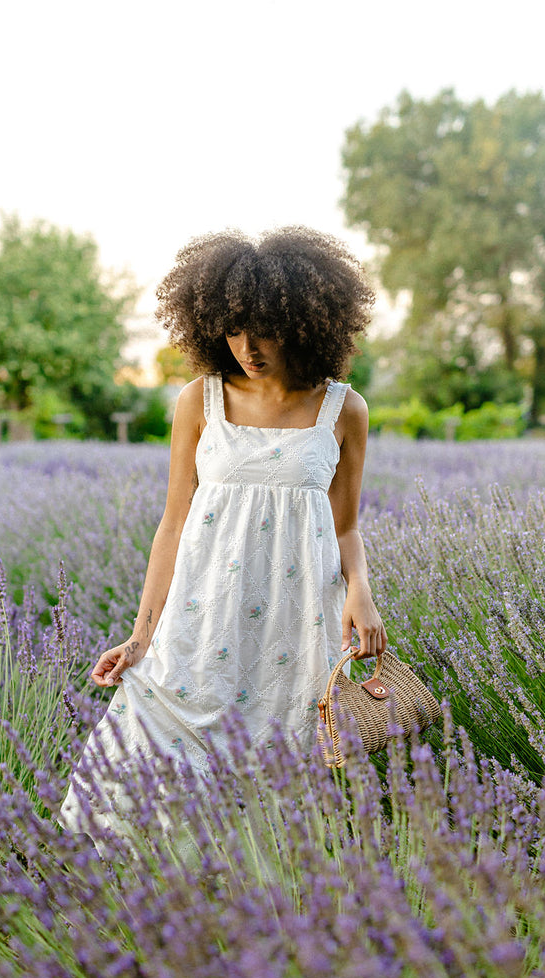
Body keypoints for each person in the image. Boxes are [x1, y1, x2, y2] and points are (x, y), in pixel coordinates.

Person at [58, 226, 387, 850]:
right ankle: (140, 899)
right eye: (233, 328)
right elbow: (173, 522)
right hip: (204, 614)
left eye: (264, 329)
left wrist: (361, 591)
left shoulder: (343, 410)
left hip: (297, 622)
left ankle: (271, 913)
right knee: (153, 740)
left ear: (305, 322)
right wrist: (140, 634)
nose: (247, 346)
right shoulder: (200, 400)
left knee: (283, 765)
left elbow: (346, 525)